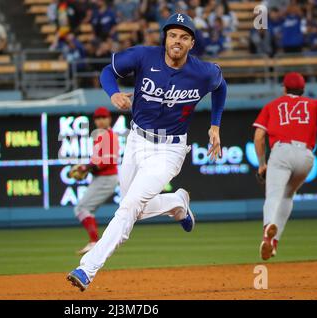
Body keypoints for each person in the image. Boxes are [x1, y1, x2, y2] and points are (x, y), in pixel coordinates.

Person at [67, 13, 226, 291]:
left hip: (169, 149)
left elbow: (220, 87)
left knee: (128, 207)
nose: (177, 41)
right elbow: (107, 72)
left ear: (191, 43)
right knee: (133, 208)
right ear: (165, 37)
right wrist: (113, 93)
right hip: (136, 141)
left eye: (184, 37)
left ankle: (87, 269)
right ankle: (177, 203)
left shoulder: (204, 72)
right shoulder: (143, 56)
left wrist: (215, 124)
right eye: (173, 35)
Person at [253, 72, 317, 261]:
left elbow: (259, 137)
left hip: (282, 151)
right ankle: (274, 243)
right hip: (306, 156)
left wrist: (262, 164)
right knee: (287, 196)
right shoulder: (314, 103)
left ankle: (268, 231)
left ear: (284, 88)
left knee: (274, 195)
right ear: (303, 89)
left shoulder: (272, 105)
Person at [71, 107, 119, 255]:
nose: (100, 120)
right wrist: (87, 167)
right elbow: (97, 160)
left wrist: (86, 167)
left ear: (109, 119)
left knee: (81, 209)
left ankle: (95, 242)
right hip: (101, 178)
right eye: (97, 118)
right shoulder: (100, 136)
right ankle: (95, 242)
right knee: (83, 209)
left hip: (107, 178)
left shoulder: (109, 136)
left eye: (103, 117)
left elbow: (107, 161)